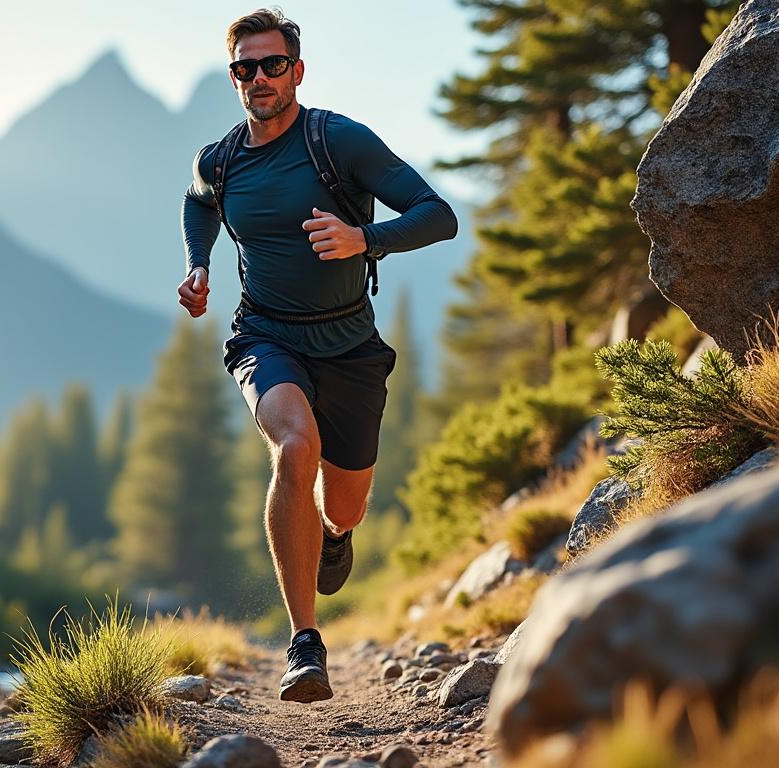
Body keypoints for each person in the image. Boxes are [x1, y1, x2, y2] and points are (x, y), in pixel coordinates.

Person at [178, 8, 458, 703]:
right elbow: (199, 201)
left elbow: (438, 215)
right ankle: (305, 643)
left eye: (273, 65)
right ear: (234, 75)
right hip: (265, 337)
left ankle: (334, 531)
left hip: (350, 347)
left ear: (297, 71)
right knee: (294, 448)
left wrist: (365, 237)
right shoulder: (220, 159)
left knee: (350, 504)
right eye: (246, 67)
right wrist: (198, 266)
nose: (260, 77)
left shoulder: (339, 142)